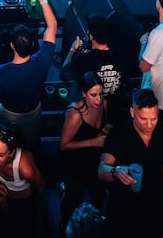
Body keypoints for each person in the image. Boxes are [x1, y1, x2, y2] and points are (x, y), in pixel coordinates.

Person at [0, 0, 57, 150]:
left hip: (9, 115)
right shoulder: (41, 61)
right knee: (30, 145)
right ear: (32, 44)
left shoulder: (1, 71)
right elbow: (53, 26)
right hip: (33, 113)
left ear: (12, 45)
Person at [97, 88, 163, 238]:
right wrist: (116, 172)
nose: (149, 125)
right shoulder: (118, 134)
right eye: (143, 119)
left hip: (153, 210)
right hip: (122, 211)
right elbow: (101, 170)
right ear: (132, 113)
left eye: (154, 119)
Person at [59, 72, 109, 226]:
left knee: (98, 199)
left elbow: (103, 126)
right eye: (93, 95)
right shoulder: (75, 114)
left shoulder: (104, 103)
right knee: (72, 203)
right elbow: (64, 145)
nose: (99, 99)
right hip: (75, 165)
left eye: (101, 93)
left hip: (94, 162)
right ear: (83, 94)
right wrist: (93, 141)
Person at [64, 14, 131, 121]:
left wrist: (73, 50)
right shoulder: (121, 57)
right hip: (115, 112)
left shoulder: (84, 59)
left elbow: (65, 71)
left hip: (90, 114)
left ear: (91, 36)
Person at [0, 123, 45, 238]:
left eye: (1, 154)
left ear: (11, 153)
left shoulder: (25, 168)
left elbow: (40, 185)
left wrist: (40, 210)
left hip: (23, 206)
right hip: (2, 201)